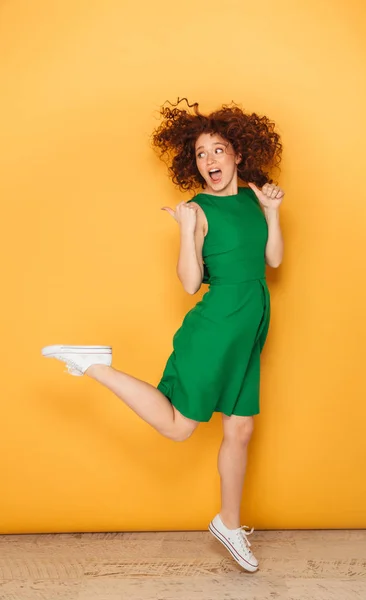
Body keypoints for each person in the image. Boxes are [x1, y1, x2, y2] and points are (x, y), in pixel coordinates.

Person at [41, 98, 284, 573]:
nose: (209, 161)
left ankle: (229, 525)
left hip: (249, 326)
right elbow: (192, 284)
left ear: (237, 153)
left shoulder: (256, 197)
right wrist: (186, 228)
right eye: (200, 154)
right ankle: (93, 364)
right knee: (178, 427)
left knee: (240, 428)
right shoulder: (196, 208)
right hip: (216, 327)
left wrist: (274, 213)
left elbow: (273, 261)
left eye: (217, 150)